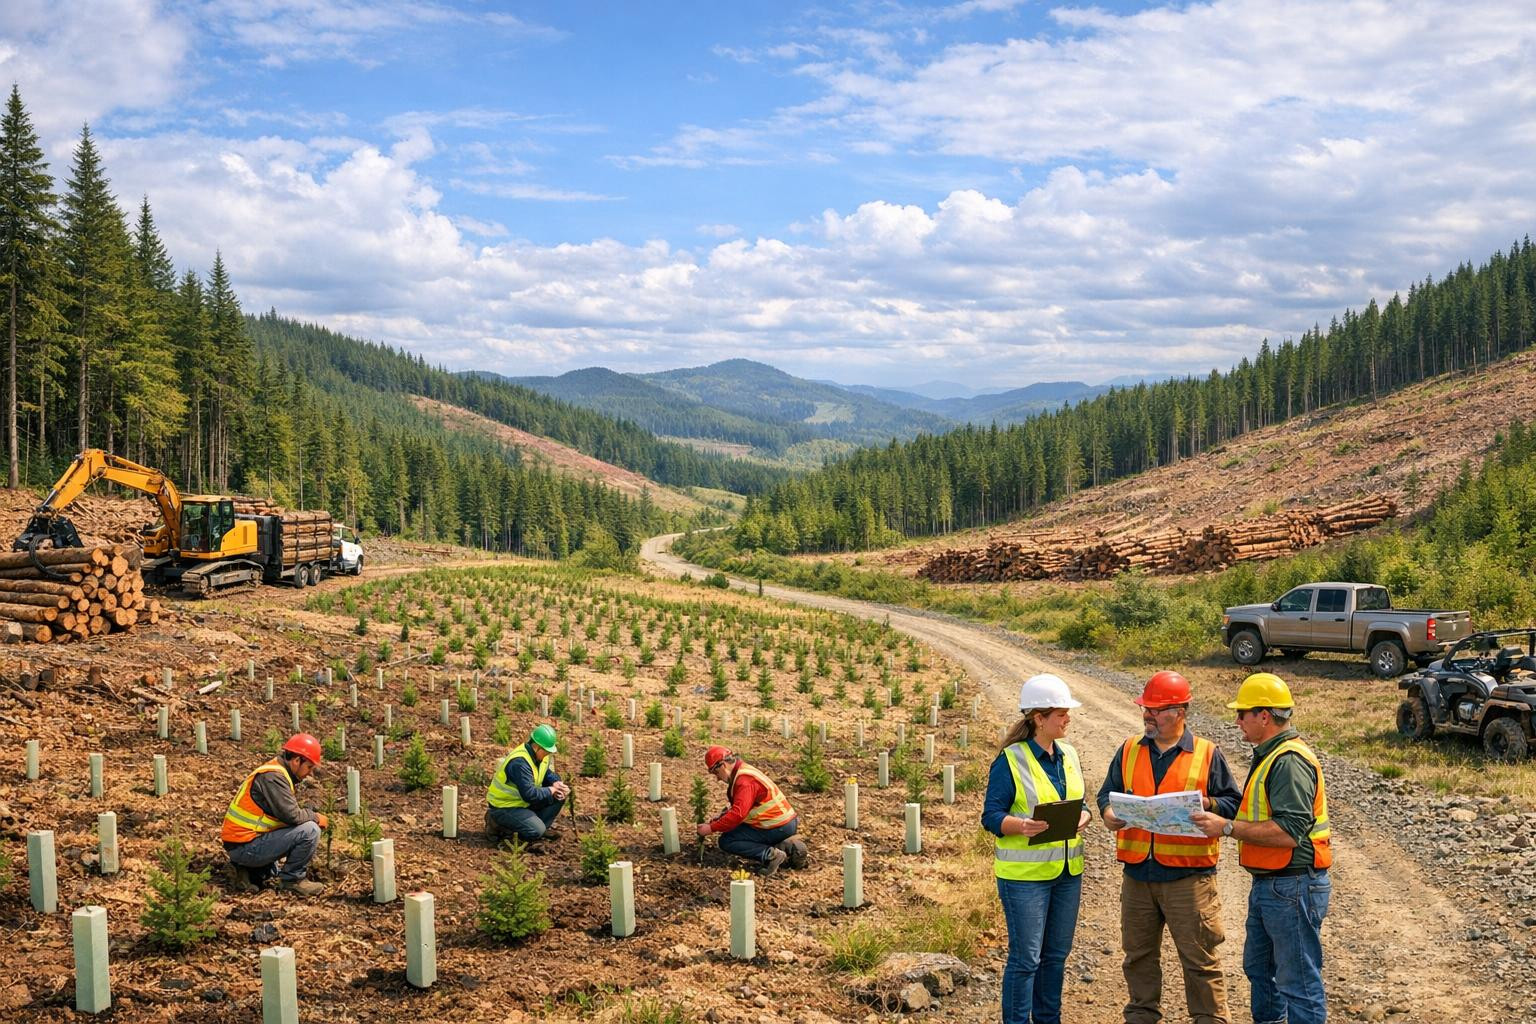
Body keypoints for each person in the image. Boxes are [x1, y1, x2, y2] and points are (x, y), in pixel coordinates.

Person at [1098, 670, 1242, 1024]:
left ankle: (1210, 1018)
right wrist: (1108, 812)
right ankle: (1141, 1015)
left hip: (1189, 879)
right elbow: (1107, 792)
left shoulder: (1208, 753)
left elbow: (1233, 803)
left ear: (1180, 712)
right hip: (1138, 875)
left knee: (1199, 959)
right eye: (1146, 708)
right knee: (1138, 956)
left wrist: (1206, 805)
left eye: (1156, 709)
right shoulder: (1129, 749)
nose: (1148, 714)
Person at [1191, 673, 1332, 1024]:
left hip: (1292, 884)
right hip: (1273, 884)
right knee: (1259, 969)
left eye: (1243, 714)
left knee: (1297, 981)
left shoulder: (1289, 761)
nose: (1237, 721)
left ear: (1264, 716)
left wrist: (1226, 827)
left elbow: (1289, 831)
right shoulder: (1271, 755)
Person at [982, 673, 1092, 1024]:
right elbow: (991, 816)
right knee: (1026, 959)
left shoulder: (1069, 754)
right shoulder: (1010, 760)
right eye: (1060, 713)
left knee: (1056, 956)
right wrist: (1021, 825)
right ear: (1038, 718)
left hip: (1066, 874)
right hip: (1024, 878)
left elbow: (1082, 802)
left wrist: (1085, 817)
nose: (1067, 719)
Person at [222, 732, 329, 896]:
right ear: (296, 760)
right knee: (310, 830)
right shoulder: (274, 777)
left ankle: (246, 870)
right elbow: (292, 816)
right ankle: (293, 881)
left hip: (243, 843)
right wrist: (315, 817)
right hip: (245, 846)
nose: (310, 773)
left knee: (270, 873)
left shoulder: (276, 772)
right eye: (309, 767)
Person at [695, 745, 807, 875]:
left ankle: (772, 855)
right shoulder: (743, 771)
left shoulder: (744, 782)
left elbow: (738, 814)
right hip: (782, 822)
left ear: (723, 765)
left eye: (716, 772)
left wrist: (711, 828)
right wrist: (719, 819)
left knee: (727, 841)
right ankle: (787, 846)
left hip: (776, 825)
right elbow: (743, 808)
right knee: (733, 829)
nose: (717, 778)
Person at [485, 723, 570, 842]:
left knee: (558, 797)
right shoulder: (520, 763)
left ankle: (534, 829)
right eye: (546, 751)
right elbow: (529, 794)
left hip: (522, 804)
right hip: (505, 806)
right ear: (537, 746)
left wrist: (556, 783)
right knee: (536, 830)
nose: (548, 754)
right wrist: (551, 790)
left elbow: (546, 772)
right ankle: (497, 823)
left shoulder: (540, 756)